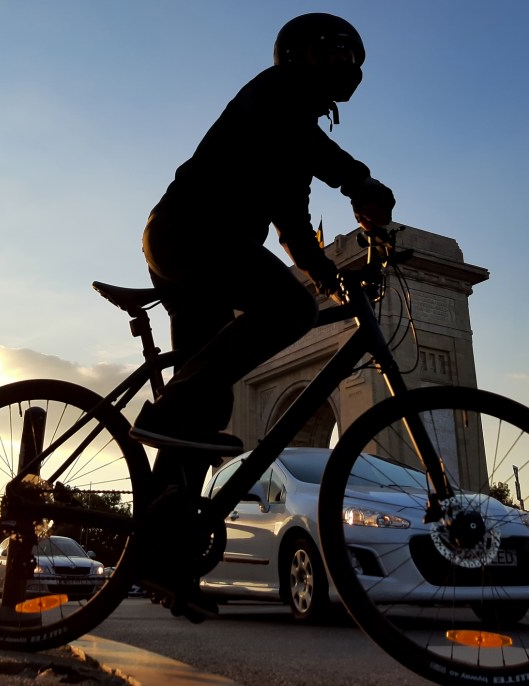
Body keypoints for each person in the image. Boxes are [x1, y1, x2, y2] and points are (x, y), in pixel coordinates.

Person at [131, 13, 395, 460]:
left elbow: (291, 218)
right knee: (292, 309)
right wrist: (359, 181)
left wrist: (325, 273)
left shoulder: (291, 141)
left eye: (353, 55)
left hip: (188, 246)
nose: (346, 61)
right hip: (192, 232)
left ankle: (167, 521)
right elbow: (303, 139)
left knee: (202, 416)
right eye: (337, 48)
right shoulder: (273, 92)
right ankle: (167, 408)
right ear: (301, 52)